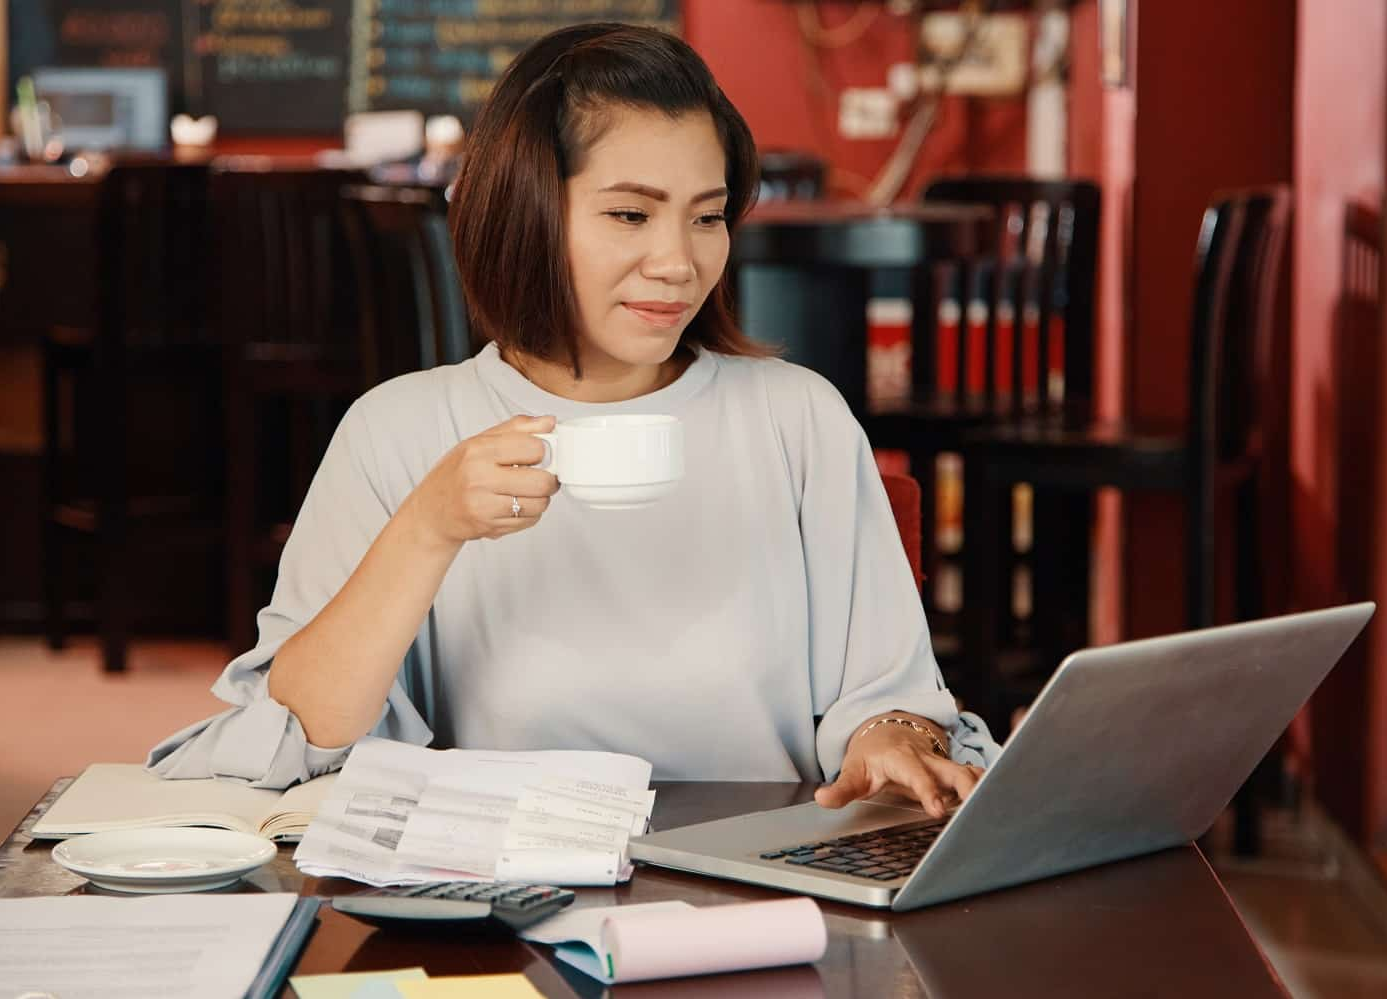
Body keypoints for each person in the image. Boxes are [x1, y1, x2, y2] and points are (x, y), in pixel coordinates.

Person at [148, 22, 1000, 819]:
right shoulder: (399, 429)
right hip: (488, 896)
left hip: (753, 886)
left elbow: (893, 698)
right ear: (526, 211)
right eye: (630, 214)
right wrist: (428, 527)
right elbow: (300, 734)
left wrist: (895, 736)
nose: (678, 261)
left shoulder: (795, 416)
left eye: (707, 216)